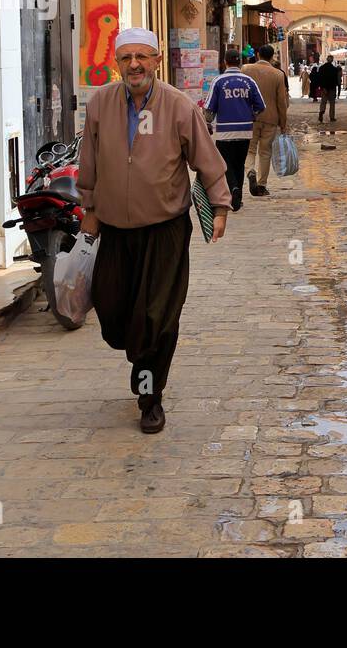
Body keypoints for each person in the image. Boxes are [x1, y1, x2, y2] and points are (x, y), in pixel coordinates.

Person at [78, 28, 230, 434]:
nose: (135, 65)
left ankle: (151, 395)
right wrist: (89, 207)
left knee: (158, 315)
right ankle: (140, 356)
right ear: (117, 64)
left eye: (142, 57)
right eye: (126, 58)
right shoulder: (100, 104)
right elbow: (88, 159)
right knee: (112, 310)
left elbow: (208, 161)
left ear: (157, 60)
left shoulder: (179, 107)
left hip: (165, 230)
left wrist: (220, 206)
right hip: (114, 228)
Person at [205, 47, 265, 212]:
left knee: (225, 164)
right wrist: (252, 115)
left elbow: (209, 108)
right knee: (239, 163)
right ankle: (238, 195)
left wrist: (208, 123)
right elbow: (261, 105)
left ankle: (233, 190)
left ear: (225, 62)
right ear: (239, 62)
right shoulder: (249, 81)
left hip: (224, 131)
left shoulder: (218, 81)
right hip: (245, 130)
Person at [242, 43, 289, 197]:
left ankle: (250, 171)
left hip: (250, 117)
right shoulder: (278, 74)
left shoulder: (246, 70)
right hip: (270, 117)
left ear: (257, 54)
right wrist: (283, 123)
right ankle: (262, 185)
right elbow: (281, 101)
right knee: (265, 151)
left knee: (250, 149)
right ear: (272, 57)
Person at [316, 54, 341, 121]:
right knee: (332, 103)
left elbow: (319, 78)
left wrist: (322, 87)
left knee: (323, 102)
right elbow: (337, 80)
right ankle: (332, 117)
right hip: (332, 88)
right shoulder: (334, 69)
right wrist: (338, 88)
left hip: (324, 88)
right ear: (332, 60)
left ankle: (321, 112)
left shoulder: (322, 68)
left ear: (327, 59)